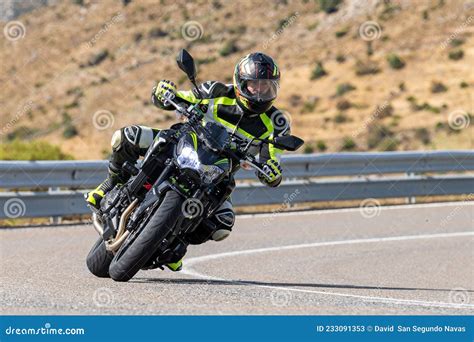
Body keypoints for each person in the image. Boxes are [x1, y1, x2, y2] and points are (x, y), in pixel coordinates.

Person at [86, 52, 290, 271]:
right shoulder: (216, 91)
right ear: (241, 83)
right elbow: (178, 99)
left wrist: (272, 171)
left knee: (223, 225)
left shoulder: (276, 124)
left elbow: (271, 160)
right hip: (182, 143)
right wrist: (164, 93)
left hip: (218, 173)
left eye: (266, 86)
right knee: (125, 137)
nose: (259, 92)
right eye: (254, 85)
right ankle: (110, 184)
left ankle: (175, 241)